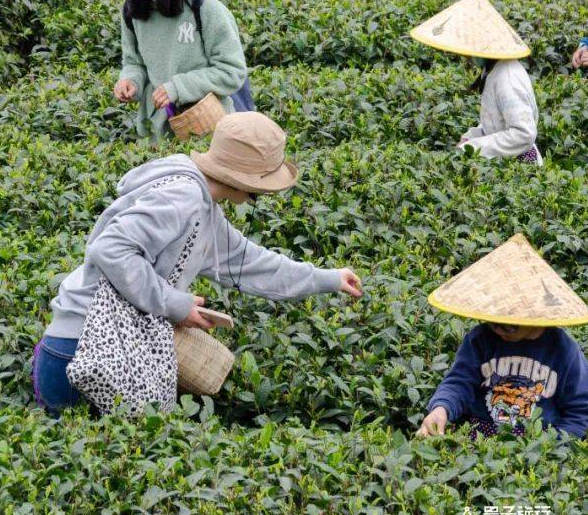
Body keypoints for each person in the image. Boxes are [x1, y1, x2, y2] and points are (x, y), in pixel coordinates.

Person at [32, 112, 363, 414]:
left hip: (90, 351)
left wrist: (329, 279)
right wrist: (175, 304)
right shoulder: (184, 197)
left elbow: (252, 264)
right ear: (246, 181)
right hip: (85, 352)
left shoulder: (205, 208)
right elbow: (111, 249)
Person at [84, 0, 249, 140]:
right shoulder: (133, 10)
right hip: (156, 134)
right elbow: (134, 63)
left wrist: (178, 88)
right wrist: (130, 82)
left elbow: (232, 71)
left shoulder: (202, 5)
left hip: (206, 127)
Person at [416, 234, 588, 439]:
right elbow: (459, 382)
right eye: (492, 323)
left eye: (508, 327)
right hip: (480, 437)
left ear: (532, 316)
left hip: (537, 442)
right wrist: (441, 409)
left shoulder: (564, 351)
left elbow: (580, 412)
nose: (498, 331)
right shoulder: (480, 340)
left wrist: (554, 448)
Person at [410, 0, 543, 165]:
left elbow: (523, 134)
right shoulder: (494, 70)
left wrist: (474, 147)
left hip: (520, 166)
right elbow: (497, 123)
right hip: (504, 161)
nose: (465, 57)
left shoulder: (507, 79)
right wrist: (471, 137)